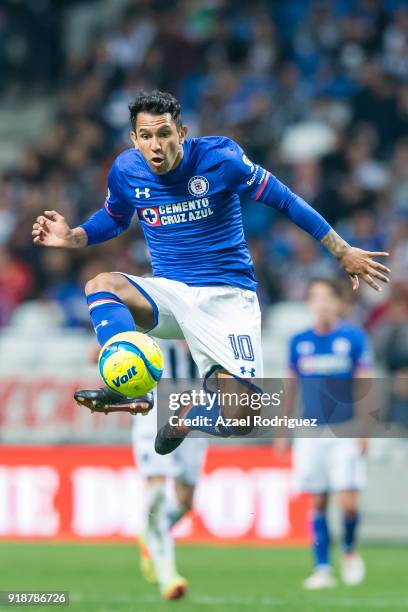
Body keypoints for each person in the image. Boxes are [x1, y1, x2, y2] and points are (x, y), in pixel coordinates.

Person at [32, 90, 390, 455]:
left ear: (182, 133)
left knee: (243, 418)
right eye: (146, 136)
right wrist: (74, 236)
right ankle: (130, 383)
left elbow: (285, 199)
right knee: (101, 284)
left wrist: (340, 249)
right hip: (171, 293)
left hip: (227, 297)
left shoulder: (221, 159)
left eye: (164, 134)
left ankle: (189, 415)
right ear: (134, 139)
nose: (156, 146)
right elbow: (114, 217)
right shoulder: (126, 170)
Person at [276, 278, 372, 589]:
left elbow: (365, 385)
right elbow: (290, 387)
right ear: (309, 303)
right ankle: (322, 567)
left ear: (339, 302)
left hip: (344, 428)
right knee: (317, 500)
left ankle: (349, 549)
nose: (322, 304)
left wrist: (365, 428)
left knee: (349, 503)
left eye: (328, 298)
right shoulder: (298, 341)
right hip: (310, 430)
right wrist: (283, 428)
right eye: (316, 298)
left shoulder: (353, 338)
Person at [133, 339, 206, 601]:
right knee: (158, 494)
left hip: (195, 411)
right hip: (156, 408)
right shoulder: (153, 312)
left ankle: (150, 533)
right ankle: (168, 576)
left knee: (185, 502)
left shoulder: (203, 312)